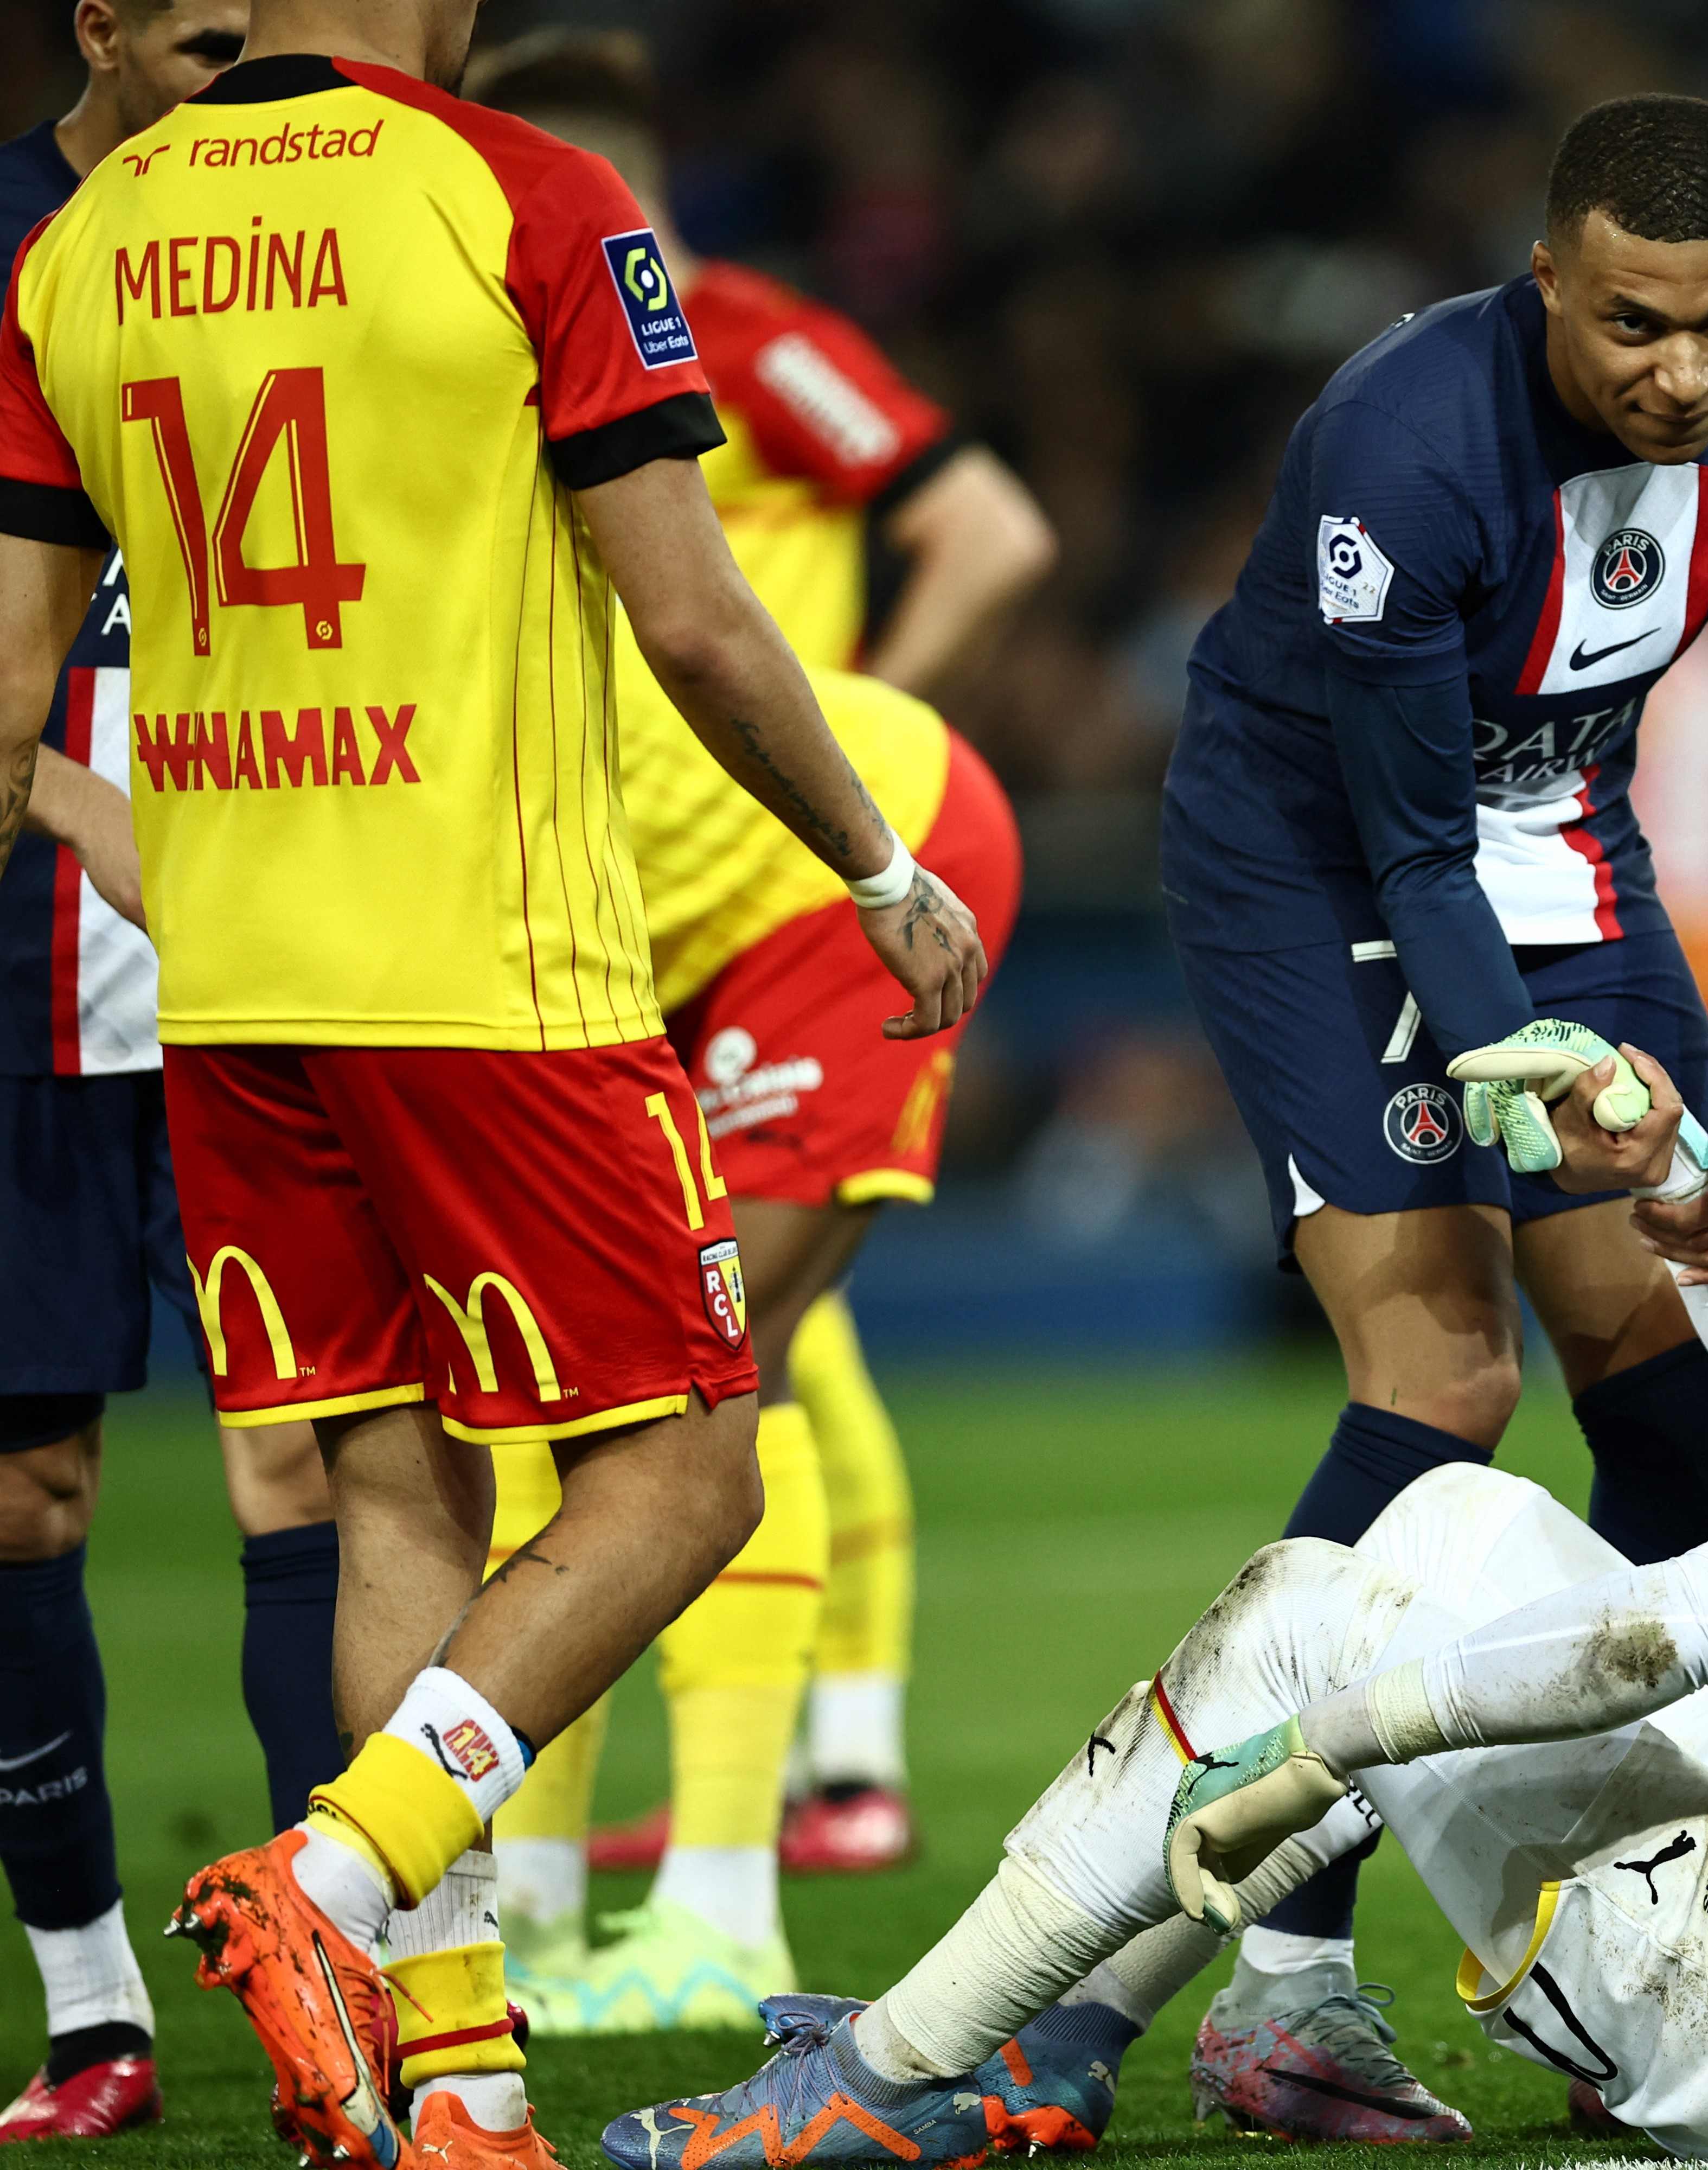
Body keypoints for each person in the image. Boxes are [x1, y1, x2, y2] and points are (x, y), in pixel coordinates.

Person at [0, 1, 991, 2163]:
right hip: (493, 965)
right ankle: (334, 1874)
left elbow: (8, 713)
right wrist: (878, 863)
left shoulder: (79, 245)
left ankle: (458, 2078)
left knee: (393, 1494)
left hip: (233, 976)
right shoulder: (526, 196)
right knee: (688, 1474)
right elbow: (704, 623)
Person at [604, 1042, 1708, 2168]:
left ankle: (889, 2080)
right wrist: (1673, 1170)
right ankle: (1055, 2045)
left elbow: (1666, 1635)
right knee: (1453, 1512)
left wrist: (1340, 1744)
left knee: (1317, 1618)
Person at [1149, 90, 1708, 2132]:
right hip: (1317, 859)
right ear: (1546, 275)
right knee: (1448, 1375)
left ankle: (1648, 1941)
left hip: (1562, 838)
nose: (1687, 373)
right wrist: (1538, 1071)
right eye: (1638, 322)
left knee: (1661, 1362)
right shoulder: (1405, 443)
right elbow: (1402, 854)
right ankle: (1280, 1978)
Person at [443, 31, 1049, 2032]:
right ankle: (530, 1910)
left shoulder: (699, 338)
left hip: (822, 877)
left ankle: (724, 1902)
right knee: (566, 1414)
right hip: (651, 926)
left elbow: (991, 530)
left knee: (713, 1395)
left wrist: (855, 754)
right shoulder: (469, 404)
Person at [0, 3, 340, 2143]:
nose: (242, 63)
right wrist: (131, 852)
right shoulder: (18, 255)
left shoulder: (297, 226)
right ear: (98, 26)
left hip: (279, 950)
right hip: (41, 959)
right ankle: (95, 2003)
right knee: (26, 1493)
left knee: (313, 1468)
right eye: (202, 28)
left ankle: (354, 1974)